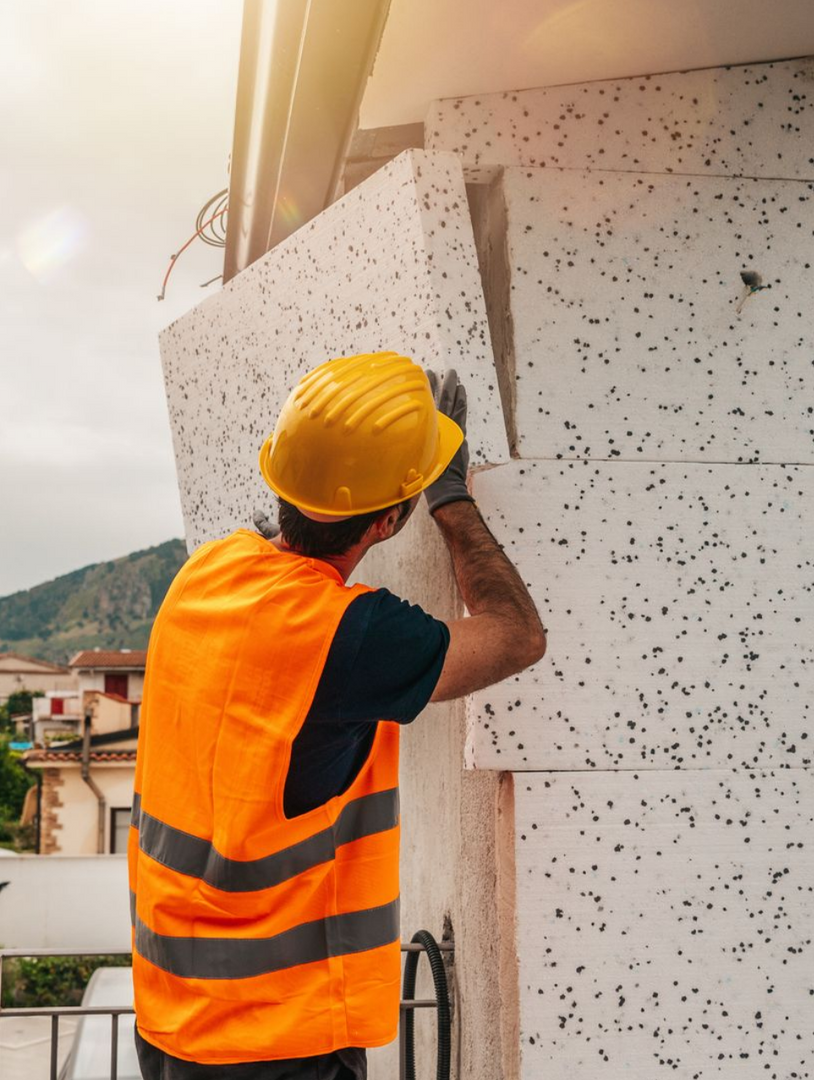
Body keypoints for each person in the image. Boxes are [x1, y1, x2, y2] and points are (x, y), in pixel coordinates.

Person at [129, 351, 546, 1079]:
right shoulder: (349, 638)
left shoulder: (209, 570)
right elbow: (517, 636)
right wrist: (451, 499)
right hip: (272, 1041)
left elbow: (284, 539)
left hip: (172, 1016)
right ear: (389, 521)